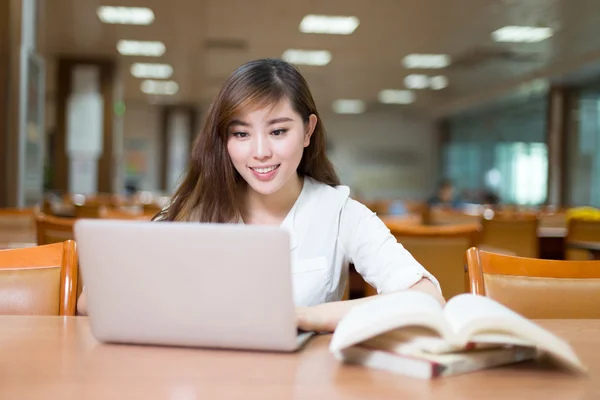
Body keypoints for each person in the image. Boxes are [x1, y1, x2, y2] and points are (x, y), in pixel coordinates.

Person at [77, 59, 444, 331]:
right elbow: (90, 303)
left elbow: (427, 300)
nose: (260, 152)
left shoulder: (341, 213)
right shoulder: (195, 209)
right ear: (224, 140)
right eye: (240, 134)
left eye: (278, 131)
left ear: (308, 130)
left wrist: (303, 317)